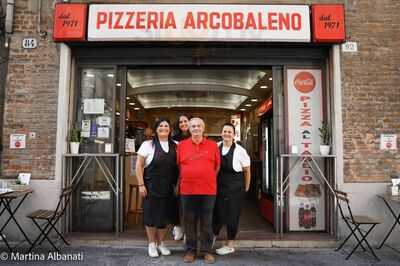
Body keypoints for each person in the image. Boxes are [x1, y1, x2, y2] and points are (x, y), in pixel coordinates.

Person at [177, 117, 220, 264]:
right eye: (193, 126)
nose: (196, 128)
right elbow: (179, 166)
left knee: (207, 222)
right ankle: (190, 250)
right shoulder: (181, 145)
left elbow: (217, 166)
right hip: (187, 190)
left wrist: (206, 177)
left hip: (208, 190)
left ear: (203, 128)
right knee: (189, 221)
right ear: (189, 129)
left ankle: (207, 251)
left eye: (198, 126)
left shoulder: (213, 145)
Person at [135, 118, 178, 258]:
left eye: (166, 125)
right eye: (161, 126)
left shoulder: (177, 145)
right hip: (151, 186)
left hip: (169, 187)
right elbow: (139, 166)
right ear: (156, 129)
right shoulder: (147, 145)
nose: (164, 128)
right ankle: (151, 244)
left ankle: (161, 243)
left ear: (170, 129)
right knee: (151, 217)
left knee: (164, 218)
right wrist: (141, 184)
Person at [213, 122, 251, 256]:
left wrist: (246, 188)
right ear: (221, 133)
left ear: (234, 135)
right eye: (225, 131)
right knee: (216, 213)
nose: (227, 134)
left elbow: (247, 170)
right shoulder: (216, 146)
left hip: (235, 188)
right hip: (219, 187)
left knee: (232, 216)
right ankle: (212, 238)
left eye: (230, 132)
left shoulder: (241, 151)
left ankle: (230, 245)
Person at [171, 113, 192, 241]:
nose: (183, 124)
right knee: (176, 202)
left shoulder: (195, 136)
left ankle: (188, 231)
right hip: (175, 173)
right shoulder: (173, 139)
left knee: (188, 204)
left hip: (189, 174)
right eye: (181, 122)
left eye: (185, 121)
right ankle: (178, 227)